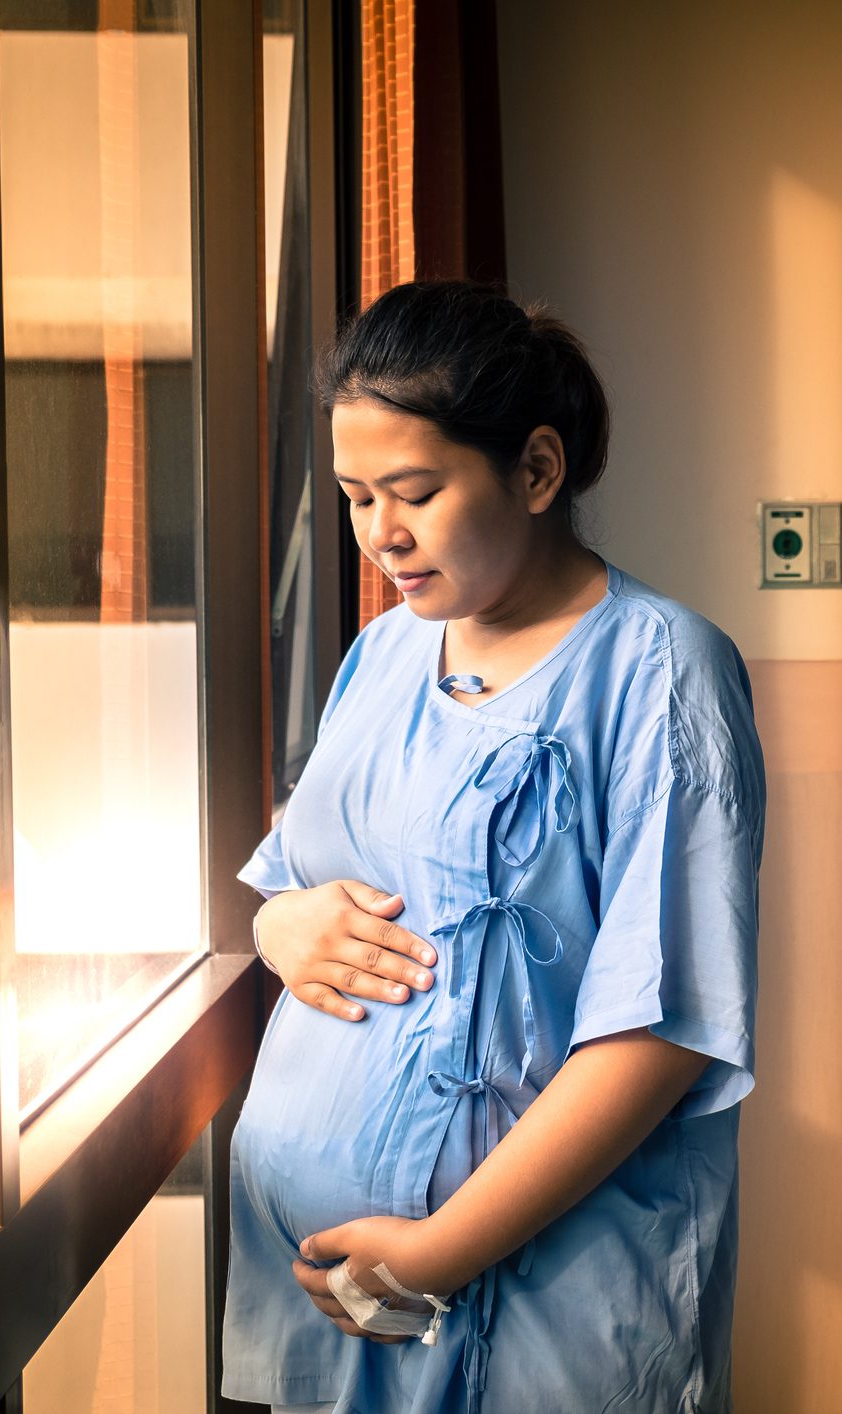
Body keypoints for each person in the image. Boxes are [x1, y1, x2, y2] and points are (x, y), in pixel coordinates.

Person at [223, 281, 764, 1413]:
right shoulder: (380, 657)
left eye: (414, 491)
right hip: (344, 1290)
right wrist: (278, 926)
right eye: (357, 495)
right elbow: (297, 875)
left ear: (535, 471)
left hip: (531, 1289)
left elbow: (659, 1032)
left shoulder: (661, 674)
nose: (380, 534)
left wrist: (435, 1252)